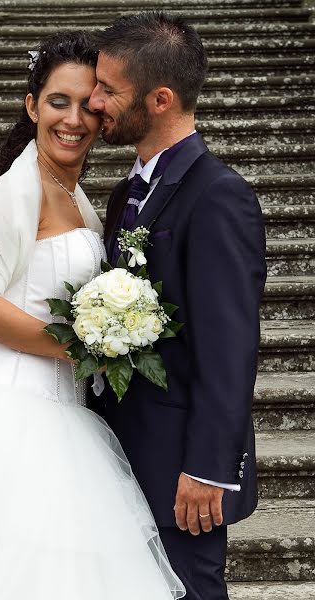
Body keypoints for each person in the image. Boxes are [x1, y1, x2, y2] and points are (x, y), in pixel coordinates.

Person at [0, 31, 185, 599]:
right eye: (58, 101)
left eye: (89, 105)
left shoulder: (77, 196)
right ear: (32, 105)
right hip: (6, 411)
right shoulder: (17, 192)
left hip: (66, 411)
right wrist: (77, 345)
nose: (74, 120)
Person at [88, 11, 267, 600]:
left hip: (182, 474)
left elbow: (229, 346)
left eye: (109, 89)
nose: (94, 102)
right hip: (119, 453)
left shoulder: (219, 196)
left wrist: (209, 468)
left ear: (160, 98)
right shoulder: (124, 194)